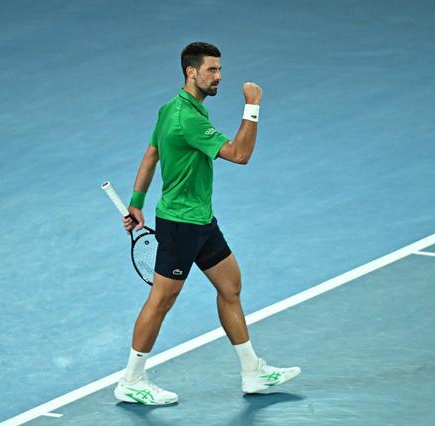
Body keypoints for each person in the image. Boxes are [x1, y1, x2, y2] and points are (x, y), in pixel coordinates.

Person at [114, 42, 300, 405]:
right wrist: (252, 106)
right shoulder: (188, 119)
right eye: (212, 70)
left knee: (230, 285)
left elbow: (151, 153)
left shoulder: (171, 108)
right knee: (161, 300)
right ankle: (131, 380)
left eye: (219, 69)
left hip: (200, 220)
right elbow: (240, 155)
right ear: (191, 72)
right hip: (180, 224)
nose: (219, 76)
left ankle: (252, 371)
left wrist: (136, 202)